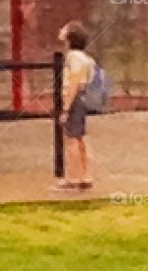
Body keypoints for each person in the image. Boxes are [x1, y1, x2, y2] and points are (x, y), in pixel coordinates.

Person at [57, 20, 95, 191]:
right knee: (80, 139)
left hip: (74, 100)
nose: (61, 30)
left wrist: (66, 108)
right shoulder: (86, 58)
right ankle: (85, 175)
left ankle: (72, 177)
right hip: (81, 99)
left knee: (72, 140)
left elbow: (74, 82)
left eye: (64, 29)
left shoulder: (73, 57)